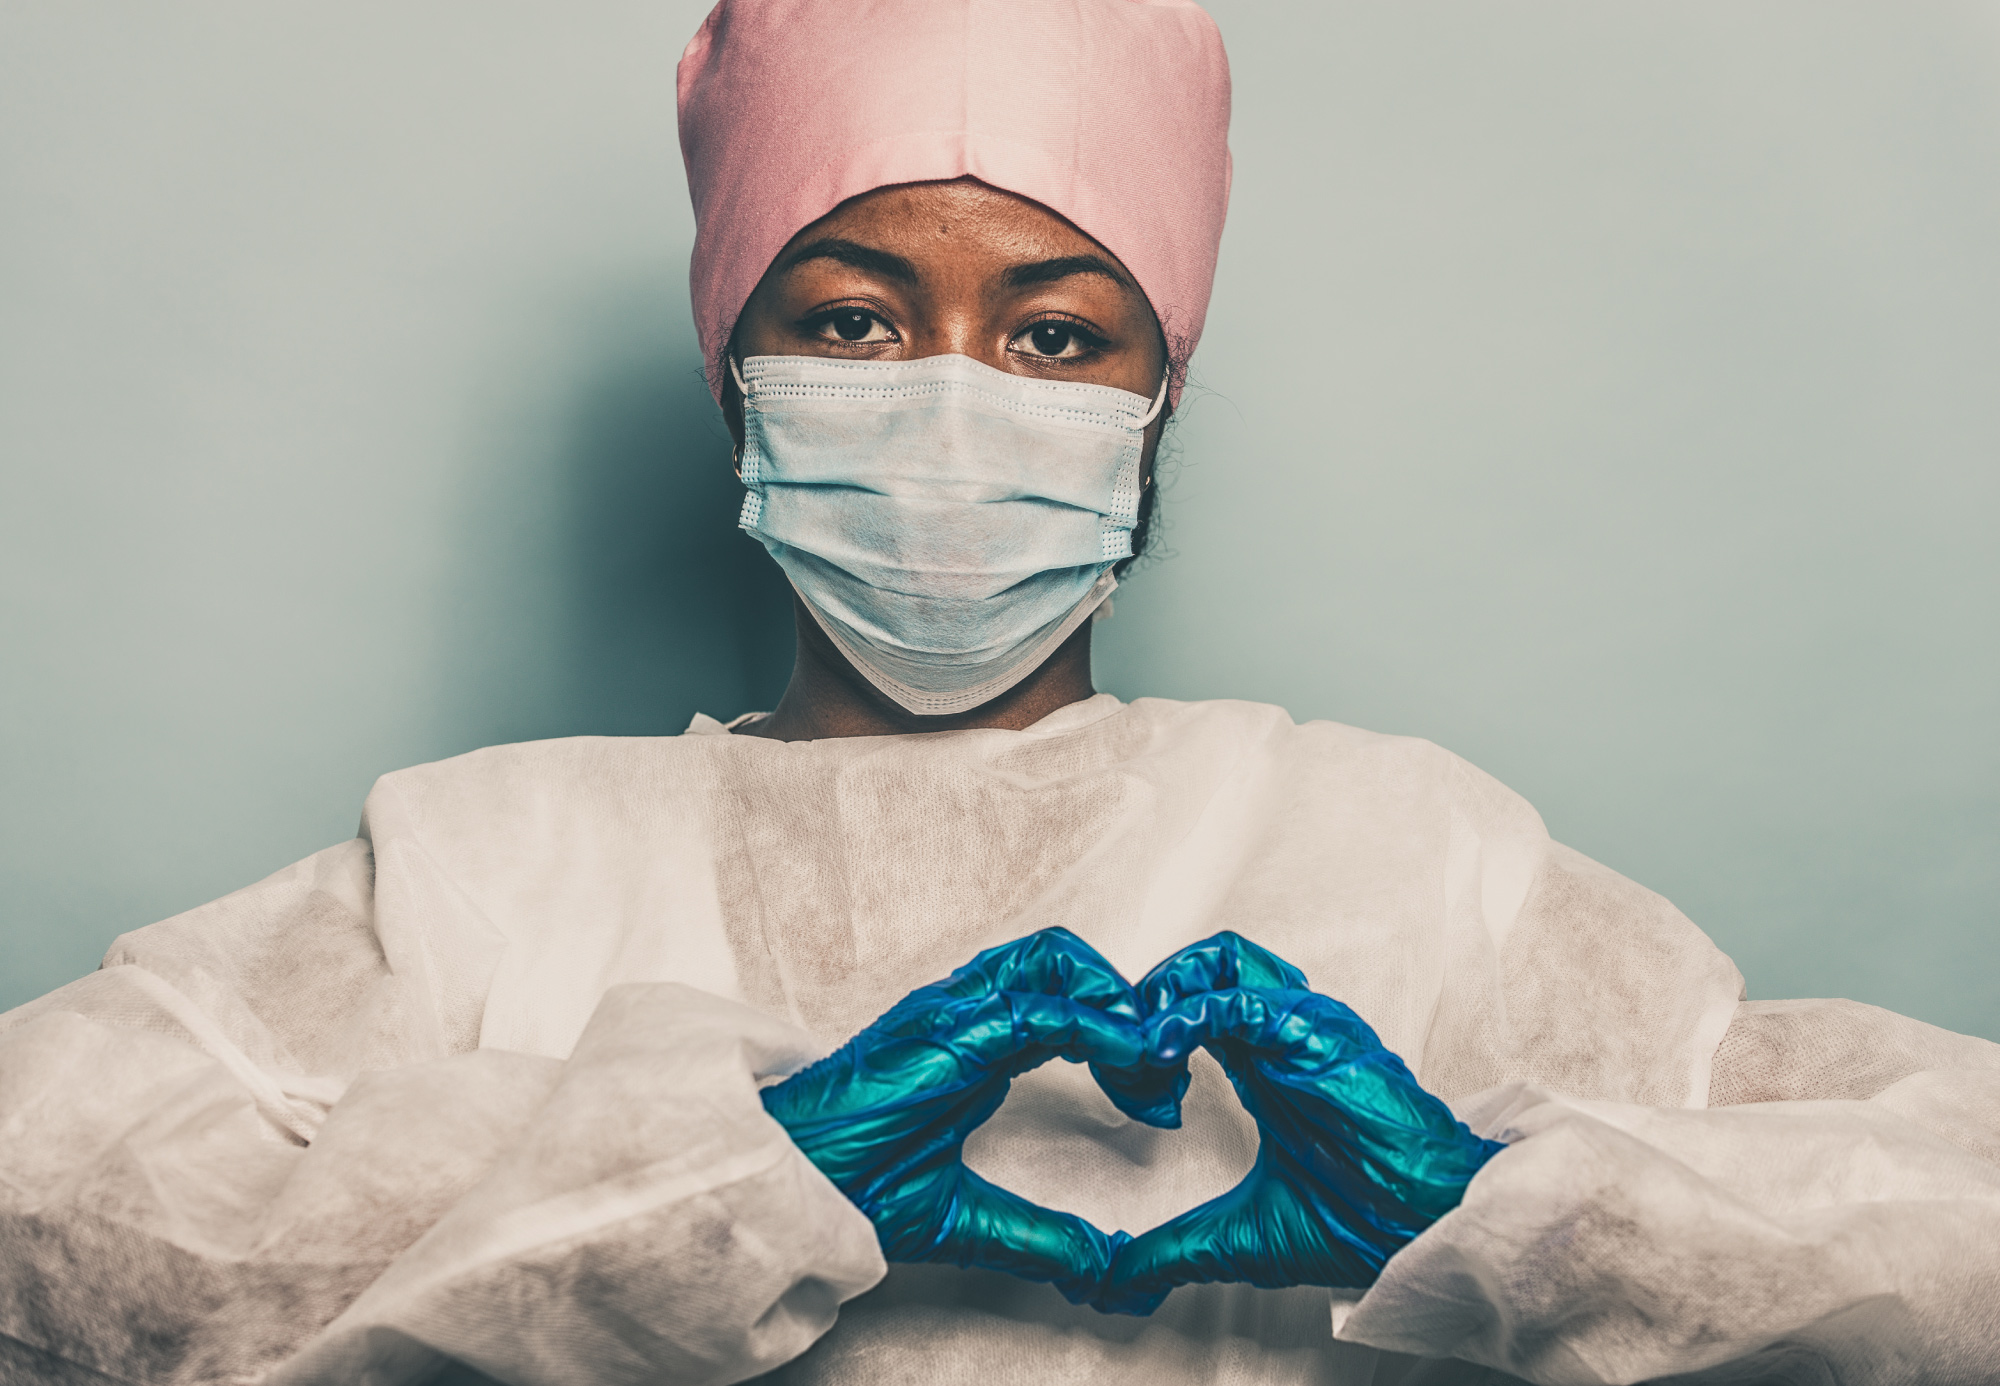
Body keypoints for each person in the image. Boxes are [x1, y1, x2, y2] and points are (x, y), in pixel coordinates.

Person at [3, 0, 1997, 1382]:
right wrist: (703, 1179)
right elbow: (45, 1248)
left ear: (1153, 411)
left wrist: (1516, 1228)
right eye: (855, 318)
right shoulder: (480, 867)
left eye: (1054, 334)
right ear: (738, 375)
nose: (951, 400)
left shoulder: (1409, 856)